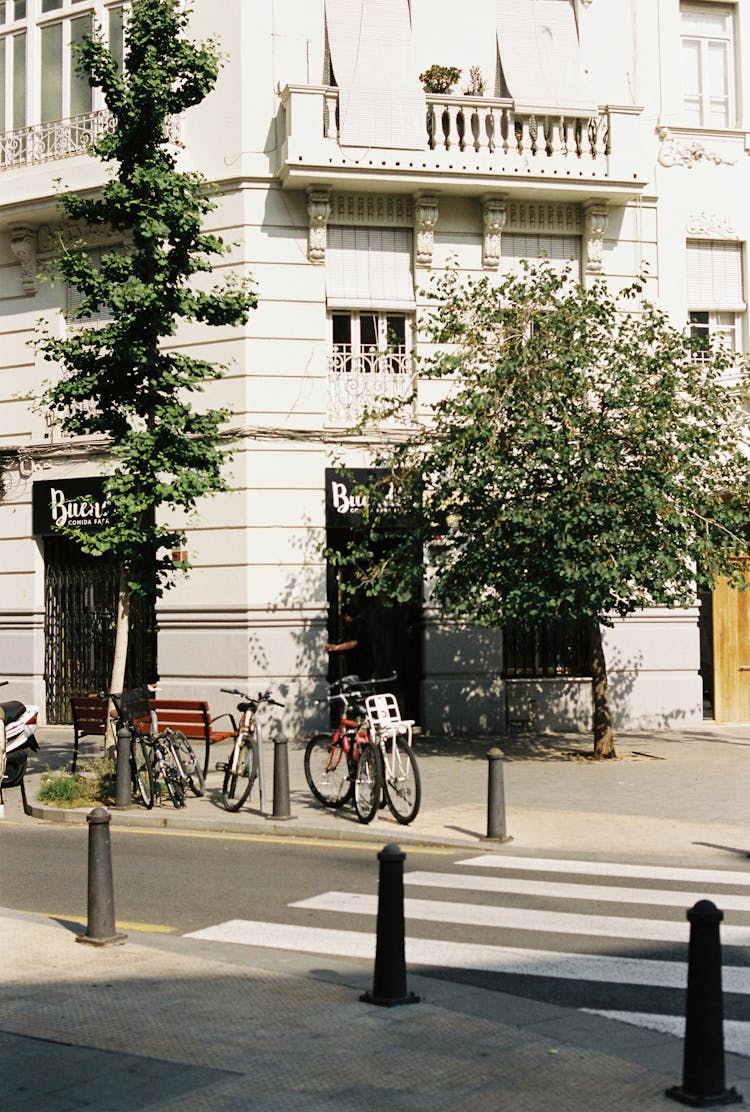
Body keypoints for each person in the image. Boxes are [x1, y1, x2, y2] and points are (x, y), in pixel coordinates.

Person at [326, 606, 374, 680]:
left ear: (347, 615)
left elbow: (353, 642)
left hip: (360, 664)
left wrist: (336, 648)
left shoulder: (355, 625)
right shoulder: (363, 624)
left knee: (351, 684)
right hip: (366, 662)